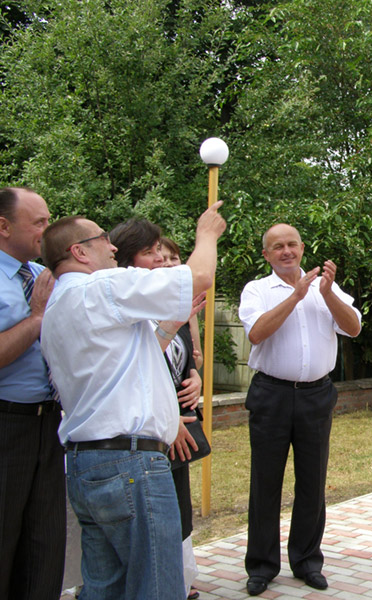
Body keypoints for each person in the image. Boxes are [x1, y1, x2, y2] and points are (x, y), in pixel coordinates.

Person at [39, 202, 225, 600]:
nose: (111, 247)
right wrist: (207, 233)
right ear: (79, 251)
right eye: (103, 239)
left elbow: (122, 366)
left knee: (105, 588)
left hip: (87, 462)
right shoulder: (102, 287)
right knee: (156, 586)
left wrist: (169, 327)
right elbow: (200, 276)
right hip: (131, 465)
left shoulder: (58, 305)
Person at [239, 223, 361, 596]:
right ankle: (261, 566)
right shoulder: (257, 290)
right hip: (271, 395)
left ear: (302, 247)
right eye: (277, 247)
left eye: (292, 244)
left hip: (315, 397)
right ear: (267, 255)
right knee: (265, 483)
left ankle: (307, 561)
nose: (286, 251)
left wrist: (325, 293)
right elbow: (257, 333)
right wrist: (296, 295)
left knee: (312, 483)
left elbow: (353, 328)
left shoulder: (325, 287)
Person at [109, 220, 203, 600]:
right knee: (149, 526)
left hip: (176, 425)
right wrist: (167, 418)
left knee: (178, 512)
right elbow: (138, 366)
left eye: (170, 258)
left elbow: (179, 357)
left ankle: (179, 581)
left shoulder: (169, 306)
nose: (165, 264)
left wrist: (194, 376)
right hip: (148, 433)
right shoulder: (128, 306)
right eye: (155, 256)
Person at [0, 186, 65, 600]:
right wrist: (39, 317)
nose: (47, 230)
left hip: (50, 424)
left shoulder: (44, 276)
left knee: (45, 543)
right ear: (3, 226)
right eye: (39, 222)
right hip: (7, 426)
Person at [162, 236, 203, 369]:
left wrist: (193, 364)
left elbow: (198, 361)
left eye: (173, 258)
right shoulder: (143, 304)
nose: (169, 264)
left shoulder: (186, 303)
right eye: (163, 259)